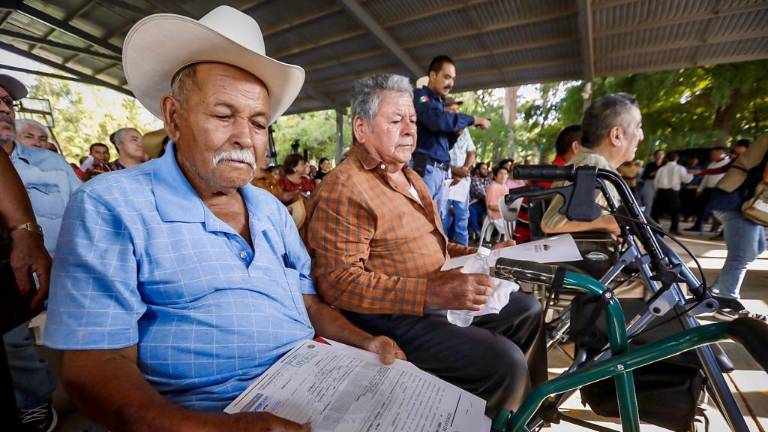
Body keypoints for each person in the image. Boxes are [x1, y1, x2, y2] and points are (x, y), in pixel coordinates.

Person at [43, 7, 403, 431]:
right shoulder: (110, 204)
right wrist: (223, 429)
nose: (243, 137)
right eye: (223, 114)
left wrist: (366, 341)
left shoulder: (271, 210)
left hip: (314, 388)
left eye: (257, 122)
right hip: (206, 413)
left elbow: (308, 303)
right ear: (174, 118)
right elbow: (93, 365)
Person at [304, 73, 546, 417]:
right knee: (503, 362)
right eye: (395, 120)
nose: (409, 129)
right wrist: (430, 293)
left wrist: (485, 255)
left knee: (527, 310)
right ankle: (490, 415)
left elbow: (438, 246)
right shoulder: (346, 187)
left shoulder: (409, 175)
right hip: (391, 315)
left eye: (413, 120)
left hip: (435, 293)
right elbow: (337, 282)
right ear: (361, 128)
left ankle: (527, 413)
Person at [2, 73, 80, 431]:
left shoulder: (51, 163)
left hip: (65, 281)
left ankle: (35, 400)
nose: (4, 108)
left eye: (8, 102)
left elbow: (86, 210)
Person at [542, 93, 644, 235]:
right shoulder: (594, 165)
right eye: (638, 127)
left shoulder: (592, 164)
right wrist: (612, 222)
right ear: (616, 135)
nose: (641, 136)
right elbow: (551, 223)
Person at [412, 55, 491, 220]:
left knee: (438, 222)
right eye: (446, 77)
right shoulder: (420, 96)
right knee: (421, 220)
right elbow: (436, 121)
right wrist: (473, 119)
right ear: (433, 76)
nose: (451, 83)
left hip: (440, 171)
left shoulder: (438, 103)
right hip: (425, 168)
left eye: (453, 78)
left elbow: (442, 146)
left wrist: (455, 135)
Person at [707, 135, 768, 312]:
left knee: (756, 248)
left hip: (744, 202)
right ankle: (726, 304)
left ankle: (717, 290)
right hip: (737, 201)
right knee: (741, 255)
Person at [442, 96, 476, 246]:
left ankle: (464, 256)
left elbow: (471, 152)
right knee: (443, 219)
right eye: (452, 109)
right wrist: (454, 171)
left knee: (462, 220)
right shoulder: (439, 127)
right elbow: (436, 156)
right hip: (444, 179)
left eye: (457, 109)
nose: (456, 112)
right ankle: (441, 255)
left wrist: (464, 170)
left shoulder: (464, 129)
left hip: (462, 181)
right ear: (444, 110)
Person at [687, 146, 730, 231]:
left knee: (718, 210)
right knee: (701, 208)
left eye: (715, 154)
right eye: (712, 154)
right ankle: (698, 225)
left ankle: (717, 227)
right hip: (708, 188)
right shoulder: (712, 164)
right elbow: (706, 177)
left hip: (719, 189)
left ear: (722, 154)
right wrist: (700, 189)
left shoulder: (728, 163)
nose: (712, 155)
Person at [652, 151, 693, 235]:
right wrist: (691, 175)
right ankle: (674, 229)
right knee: (675, 211)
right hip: (673, 192)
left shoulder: (661, 168)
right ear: (677, 158)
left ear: (666, 158)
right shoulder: (680, 168)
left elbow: (656, 181)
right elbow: (686, 179)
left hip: (661, 191)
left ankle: (655, 227)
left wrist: (657, 190)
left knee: (655, 210)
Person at [485, 165, 511, 236]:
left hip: (505, 215)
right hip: (497, 217)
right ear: (495, 176)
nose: (503, 176)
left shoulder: (504, 187)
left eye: (505, 174)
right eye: (500, 173)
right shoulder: (493, 187)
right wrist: (508, 209)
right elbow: (491, 206)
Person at [468, 162, 492, 241]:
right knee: (472, 210)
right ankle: (478, 233)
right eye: (483, 169)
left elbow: (490, 193)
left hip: (487, 203)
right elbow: (481, 194)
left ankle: (486, 234)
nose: (486, 170)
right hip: (476, 203)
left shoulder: (488, 180)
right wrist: (487, 193)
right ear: (478, 171)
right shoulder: (474, 179)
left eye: (486, 169)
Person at [640, 149, 665, 218]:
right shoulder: (650, 165)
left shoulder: (665, 165)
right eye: (658, 154)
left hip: (662, 185)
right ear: (655, 156)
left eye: (662, 154)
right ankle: (646, 219)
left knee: (658, 204)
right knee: (648, 203)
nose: (660, 156)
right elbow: (644, 176)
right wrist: (654, 173)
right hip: (650, 183)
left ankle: (655, 220)